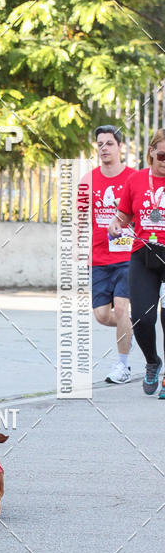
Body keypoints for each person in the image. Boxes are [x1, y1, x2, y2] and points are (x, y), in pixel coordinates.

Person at [109, 129, 165, 396]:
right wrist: (114, 226)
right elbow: (122, 216)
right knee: (143, 317)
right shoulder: (136, 180)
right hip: (144, 254)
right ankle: (152, 361)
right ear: (152, 151)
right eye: (163, 154)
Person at [79, 125, 135, 383]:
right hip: (99, 258)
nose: (104, 148)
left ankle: (122, 366)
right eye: (100, 144)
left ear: (120, 147)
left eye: (109, 143)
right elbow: (81, 221)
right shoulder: (87, 181)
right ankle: (134, 330)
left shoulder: (134, 179)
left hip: (128, 256)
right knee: (102, 316)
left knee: (122, 308)